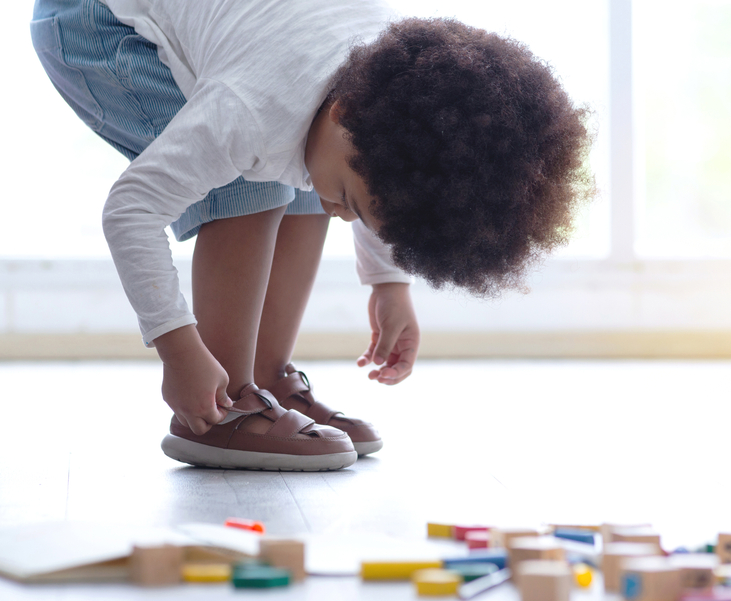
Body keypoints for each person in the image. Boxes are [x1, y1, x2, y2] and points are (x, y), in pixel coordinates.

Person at [30, 0, 594, 471]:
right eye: (354, 203)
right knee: (252, 183)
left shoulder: (376, 94)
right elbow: (131, 209)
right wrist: (178, 350)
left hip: (247, 47)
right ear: (347, 112)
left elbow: (373, 188)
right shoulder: (253, 108)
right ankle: (217, 405)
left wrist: (388, 282)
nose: (347, 216)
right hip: (92, 21)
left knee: (310, 179)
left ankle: (265, 377)